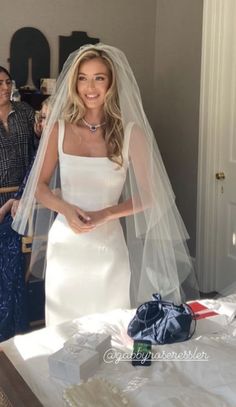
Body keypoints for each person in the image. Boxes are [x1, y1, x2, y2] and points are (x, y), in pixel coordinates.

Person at [13, 44, 199, 327]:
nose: (90, 86)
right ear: (74, 83)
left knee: (111, 330)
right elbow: (39, 186)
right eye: (83, 78)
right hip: (66, 248)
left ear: (111, 83)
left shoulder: (131, 133)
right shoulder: (58, 129)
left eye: (99, 77)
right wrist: (65, 208)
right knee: (64, 332)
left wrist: (106, 214)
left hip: (108, 249)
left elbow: (151, 195)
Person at [0, 93, 48, 341]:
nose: (5, 88)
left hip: (25, 201)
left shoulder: (24, 112)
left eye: (7, 82)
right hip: (16, 199)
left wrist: (13, 202)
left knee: (9, 244)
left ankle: (10, 321)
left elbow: (38, 173)